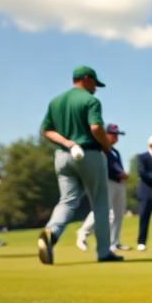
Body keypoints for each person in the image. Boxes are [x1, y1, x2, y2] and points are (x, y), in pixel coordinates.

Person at [38, 65, 122, 264]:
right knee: (100, 202)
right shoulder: (90, 100)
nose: (95, 88)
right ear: (86, 79)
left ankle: (51, 233)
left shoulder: (55, 101)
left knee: (67, 200)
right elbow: (96, 128)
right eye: (94, 83)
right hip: (89, 154)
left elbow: (46, 131)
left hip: (62, 155)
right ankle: (104, 252)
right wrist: (106, 145)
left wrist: (67, 143)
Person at [77, 122, 130, 252]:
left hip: (118, 184)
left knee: (118, 214)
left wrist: (121, 175)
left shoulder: (115, 151)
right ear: (105, 134)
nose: (116, 138)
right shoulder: (100, 149)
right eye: (114, 135)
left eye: (117, 135)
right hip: (106, 182)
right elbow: (107, 166)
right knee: (104, 211)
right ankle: (83, 232)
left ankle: (114, 241)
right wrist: (120, 173)